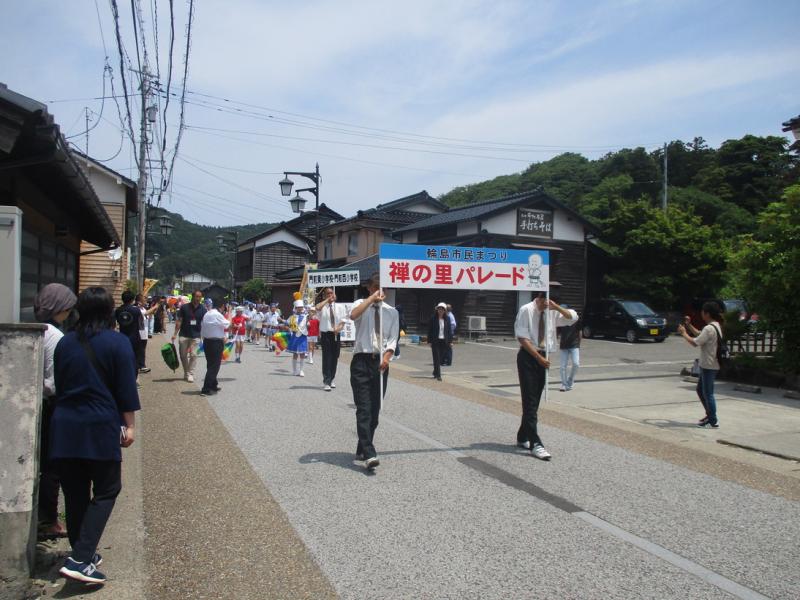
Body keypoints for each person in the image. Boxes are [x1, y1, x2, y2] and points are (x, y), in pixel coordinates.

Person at [51, 287, 139, 584]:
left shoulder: (65, 342)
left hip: (64, 425)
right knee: (107, 489)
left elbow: (60, 383)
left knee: (75, 494)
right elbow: (126, 386)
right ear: (109, 311)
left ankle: (82, 553)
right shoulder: (117, 342)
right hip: (99, 424)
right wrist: (130, 425)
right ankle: (80, 559)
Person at [34, 283, 78, 539]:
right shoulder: (55, 336)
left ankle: (45, 517)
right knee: (53, 466)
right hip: (52, 403)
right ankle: (49, 519)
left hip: (39, 402)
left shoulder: (37, 329)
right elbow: (53, 381)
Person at [514, 293, 578, 460]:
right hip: (529, 357)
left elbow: (572, 318)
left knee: (534, 401)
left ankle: (522, 436)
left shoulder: (552, 310)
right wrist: (538, 358)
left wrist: (556, 307)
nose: (546, 305)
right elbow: (522, 337)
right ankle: (536, 444)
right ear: (539, 298)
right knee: (529, 401)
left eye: (550, 302)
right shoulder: (526, 310)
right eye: (544, 301)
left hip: (544, 358)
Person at [348, 274, 399, 470]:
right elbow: (353, 315)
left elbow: (393, 339)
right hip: (361, 361)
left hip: (380, 364)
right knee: (364, 408)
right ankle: (370, 454)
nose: (380, 291)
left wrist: (387, 357)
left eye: (382, 288)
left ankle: (362, 447)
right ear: (369, 288)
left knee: (375, 411)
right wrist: (371, 299)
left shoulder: (392, 312)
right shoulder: (361, 304)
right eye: (376, 287)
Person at [678, 301, 724, 428]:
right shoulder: (715, 326)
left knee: (708, 393)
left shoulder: (709, 328)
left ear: (707, 314)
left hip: (709, 364)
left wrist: (684, 333)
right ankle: (710, 414)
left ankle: (713, 420)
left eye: (703, 312)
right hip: (710, 364)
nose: (701, 314)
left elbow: (695, 342)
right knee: (700, 390)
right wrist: (689, 325)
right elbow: (700, 334)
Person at [316, 287, 347, 391]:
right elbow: (317, 308)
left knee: (335, 357)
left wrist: (339, 328)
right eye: (328, 294)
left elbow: (343, 320)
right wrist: (327, 300)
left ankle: (332, 378)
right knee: (327, 357)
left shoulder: (339, 307)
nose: (330, 295)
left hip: (336, 333)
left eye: (332, 293)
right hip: (326, 334)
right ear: (325, 295)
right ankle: (326, 380)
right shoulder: (323, 306)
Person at [171, 290, 206, 383]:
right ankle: (186, 372)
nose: (198, 298)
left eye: (200, 297)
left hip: (196, 335)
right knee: (183, 355)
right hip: (184, 334)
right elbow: (179, 321)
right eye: (196, 296)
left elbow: (204, 323)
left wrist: (204, 336)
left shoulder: (203, 309)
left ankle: (190, 373)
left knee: (194, 355)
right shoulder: (184, 307)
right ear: (192, 296)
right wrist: (175, 334)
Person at [200, 298, 229, 396]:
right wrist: (230, 314)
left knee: (210, 364)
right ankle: (206, 388)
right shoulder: (217, 314)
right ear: (222, 306)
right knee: (214, 366)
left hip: (207, 341)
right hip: (215, 342)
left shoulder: (207, 314)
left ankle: (213, 384)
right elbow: (228, 325)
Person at [115, 291, 143, 376]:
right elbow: (141, 323)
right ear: (132, 299)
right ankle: (134, 377)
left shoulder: (118, 310)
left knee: (123, 358)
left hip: (122, 337)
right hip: (135, 337)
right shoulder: (136, 310)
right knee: (135, 359)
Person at [428, 302, 453, 381]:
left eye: (442, 309)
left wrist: (450, 341)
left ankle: (435, 372)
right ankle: (438, 375)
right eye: (439, 309)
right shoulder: (433, 318)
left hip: (444, 341)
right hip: (435, 341)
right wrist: (429, 341)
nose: (440, 311)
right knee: (436, 358)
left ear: (445, 310)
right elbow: (430, 330)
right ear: (437, 310)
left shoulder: (447, 319)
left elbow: (449, 331)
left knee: (440, 358)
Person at [557, 309, 581, 392]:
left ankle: (570, 380)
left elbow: (580, 331)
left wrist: (579, 344)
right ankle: (564, 384)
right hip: (563, 345)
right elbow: (557, 332)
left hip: (574, 345)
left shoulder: (576, 319)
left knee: (576, 363)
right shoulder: (560, 321)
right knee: (562, 366)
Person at [285, 299, 309, 376]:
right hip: (295, 336)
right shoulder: (292, 317)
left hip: (302, 336)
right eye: (298, 307)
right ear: (295, 308)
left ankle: (301, 370)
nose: (300, 308)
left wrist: (308, 325)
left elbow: (309, 325)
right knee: (295, 354)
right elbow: (286, 324)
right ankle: (294, 370)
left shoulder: (306, 316)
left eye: (301, 307)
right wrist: (289, 329)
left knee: (302, 353)